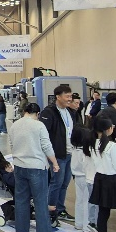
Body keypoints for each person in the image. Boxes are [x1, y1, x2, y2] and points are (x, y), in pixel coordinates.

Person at [8, 102, 59, 232]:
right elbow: (46, 146)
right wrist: (54, 163)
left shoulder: (14, 125)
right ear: (37, 114)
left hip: (19, 166)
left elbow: (11, 145)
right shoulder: (39, 125)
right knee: (40, 201)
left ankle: (21, 230)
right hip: (37, 167)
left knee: (21, 200)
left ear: (24, 111)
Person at [40, 85, 76, 222]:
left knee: (65, 183)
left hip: (70, 152)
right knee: (56, 182)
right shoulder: (49, 112)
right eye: (67, 96)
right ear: (58, 97)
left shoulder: (70, 112)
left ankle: (60, 209)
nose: (70, 99)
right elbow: (44, 134)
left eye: (70, 96)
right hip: (57, 154)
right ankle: (51, 210)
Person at [70, 126, 97, 232]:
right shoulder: (86, 152)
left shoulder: (74, 149)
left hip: (77, 177)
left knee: (79, 200)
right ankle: (87, 225)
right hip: (87, 178)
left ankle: (79, 223)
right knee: (87, 202)